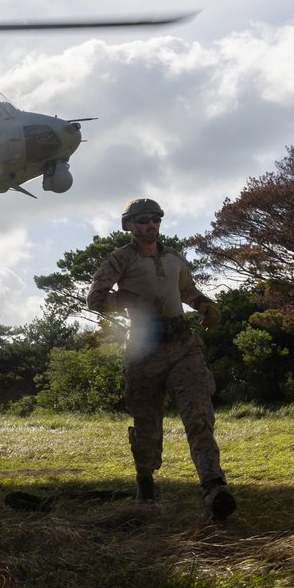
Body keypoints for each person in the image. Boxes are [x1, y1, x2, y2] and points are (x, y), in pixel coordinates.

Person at [86, 199, 235, 521]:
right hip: (143, 350)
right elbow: (95, 299)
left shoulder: (174, 258)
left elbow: (187, 290)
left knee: (199, 414)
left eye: (156, 219)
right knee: (147, 424)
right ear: (129, 225)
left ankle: (214, 487)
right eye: (143, 220)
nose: (151, 225)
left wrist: (206, 306)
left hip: (183, 345)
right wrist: (127, 300)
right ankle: (146, 483)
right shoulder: (119, 259)